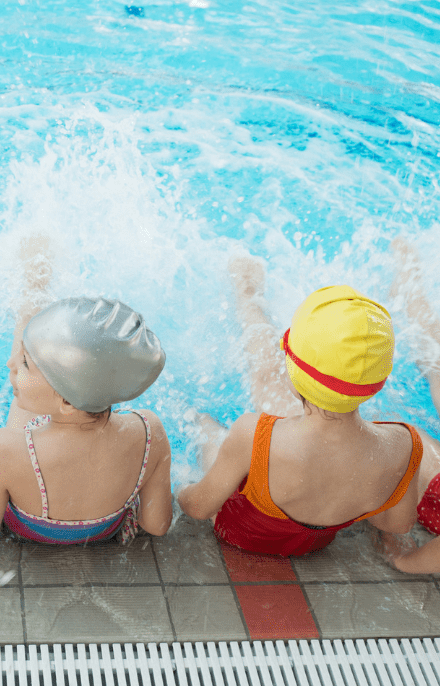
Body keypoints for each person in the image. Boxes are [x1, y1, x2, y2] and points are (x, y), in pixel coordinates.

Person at [178, 256, 424, 556]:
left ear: (292, 370)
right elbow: (397, 524)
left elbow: (198, 507)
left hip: (239, 534)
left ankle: (246, 293)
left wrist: (177, 491)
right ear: (380, 380)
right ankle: (247, 295)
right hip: (315, 544)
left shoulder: (253, 434)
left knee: (205, 422)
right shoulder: (403, 443)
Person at [0, 237, 173, 545]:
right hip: (105, 531)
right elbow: (156, 524)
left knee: (22, 407)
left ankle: (32, 291)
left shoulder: (6, 448)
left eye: (24, 363)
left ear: (64, 400)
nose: (10, 364)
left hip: (33, 530)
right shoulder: (148, 430)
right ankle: (34, 299)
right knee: (29, 386)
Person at [375, 238, 440, 573]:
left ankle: (409, 277)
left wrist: (401, 556)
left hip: (432, 491)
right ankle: (409, 281)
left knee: (395, 431)